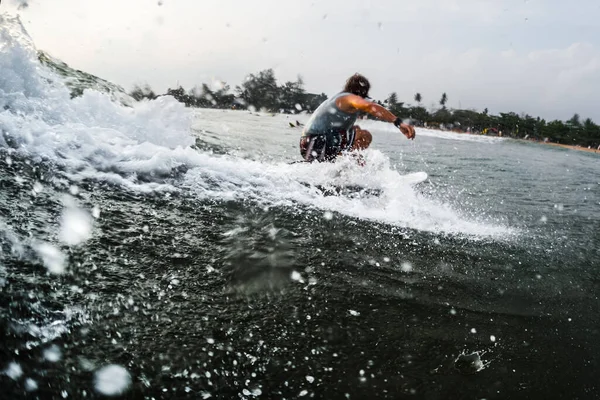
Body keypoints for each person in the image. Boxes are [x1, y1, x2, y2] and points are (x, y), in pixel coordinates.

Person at [299, 73, 416, 162]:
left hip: (319, 141)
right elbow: (370, 106)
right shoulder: (348, 98)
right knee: (363, 134)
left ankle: (347, 163)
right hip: (315, 143)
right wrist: (398, 122)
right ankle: (348, 164)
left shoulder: (342, 99)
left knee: (360, 132)